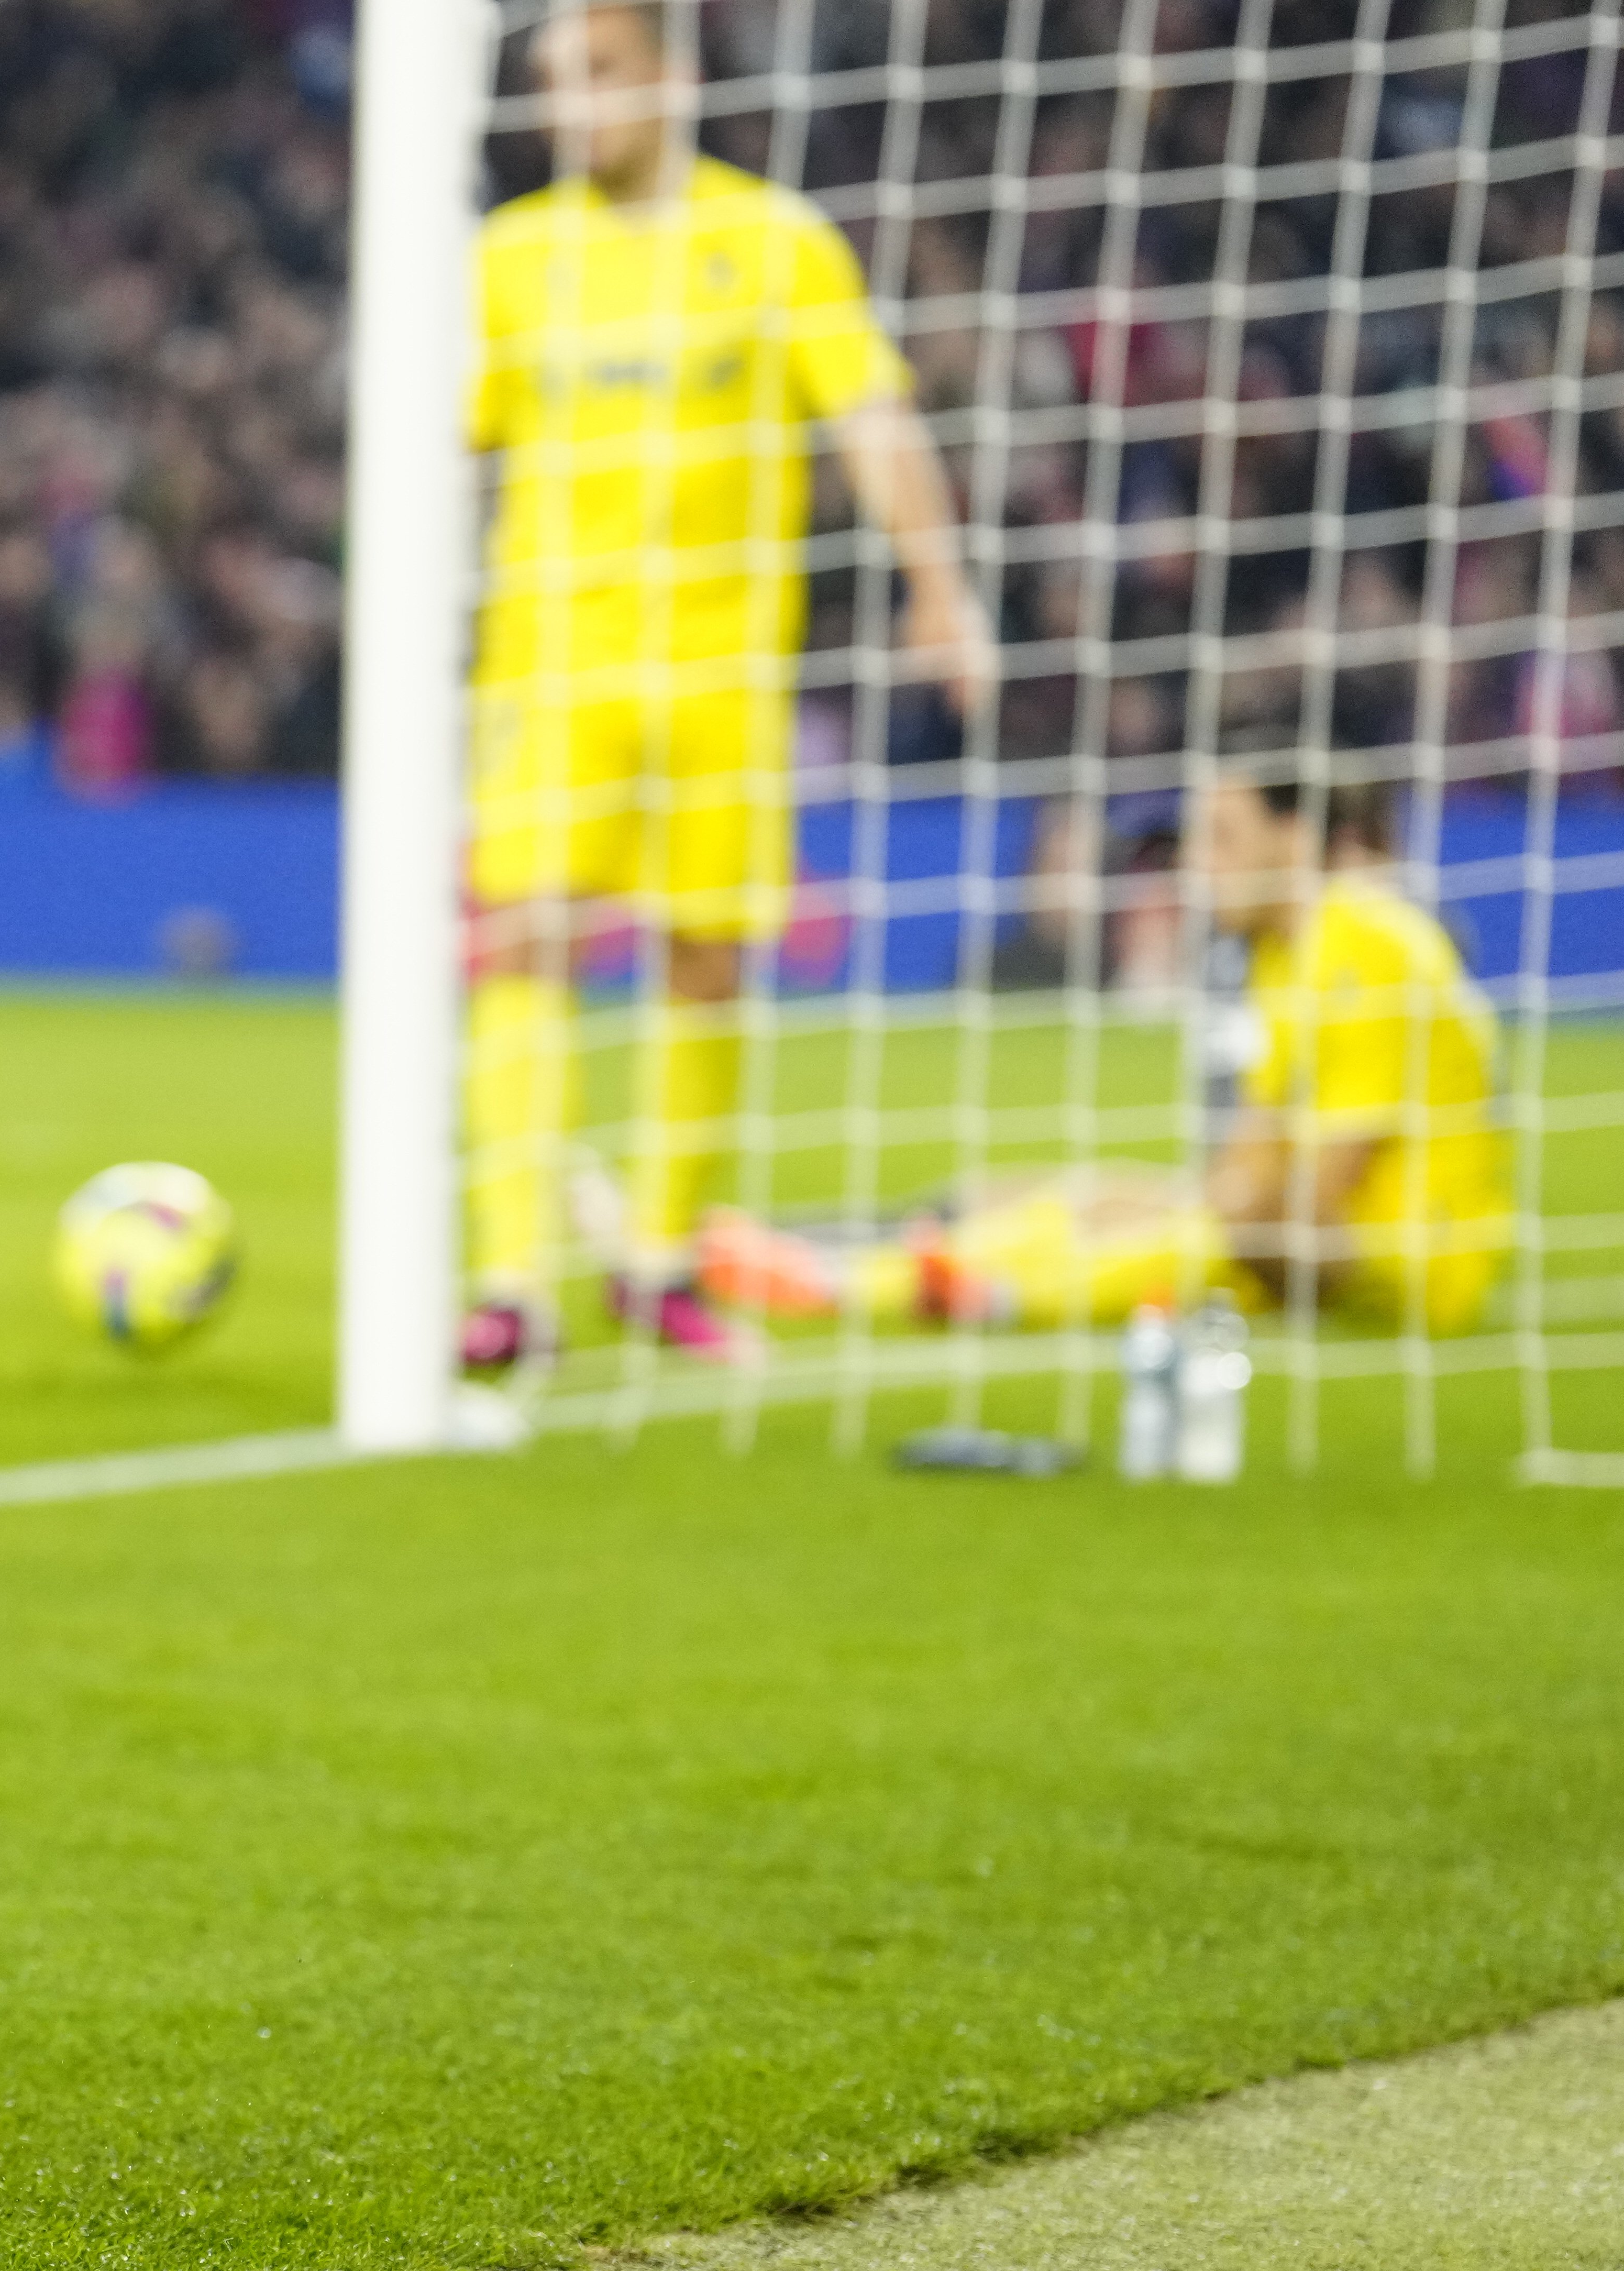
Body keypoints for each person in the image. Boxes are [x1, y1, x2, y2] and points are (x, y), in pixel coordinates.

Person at [459, 0, 995, 1374]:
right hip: (552, 665)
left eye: (598, 72)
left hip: (720, 676)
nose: (572, 103)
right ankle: (513, 1278)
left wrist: (938, 581)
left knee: (706, 961)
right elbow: (435, 445)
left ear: (673, 79)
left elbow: (869, 411)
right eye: (553, 80)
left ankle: (658, 1259)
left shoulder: (772, 241)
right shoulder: (509, 261)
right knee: (523, 943)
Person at [703, 749, 1509, 1335]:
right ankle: (860, 1272)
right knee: (1106, 1195)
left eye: (1222, 840)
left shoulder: (1366, 947)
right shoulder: (1281, 955)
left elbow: (1321, 1184)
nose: (1196, 868)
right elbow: (1256, 1146)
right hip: (1318, 1232)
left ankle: (944, 1289)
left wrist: (1209, 1204)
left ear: (1296, 841)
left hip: (1411, 1269)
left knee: (1217, 1221)